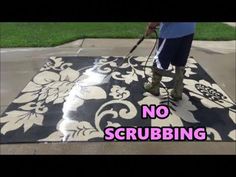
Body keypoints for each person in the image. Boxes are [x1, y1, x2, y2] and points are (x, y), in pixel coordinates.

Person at [144, 22, 196, 101]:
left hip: (171, 32)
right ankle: (177, 91)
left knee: (160, 60)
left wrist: (151, 26)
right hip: (189, 30)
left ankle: (154, 87)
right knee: (181, 59)